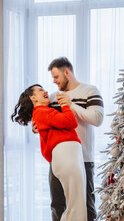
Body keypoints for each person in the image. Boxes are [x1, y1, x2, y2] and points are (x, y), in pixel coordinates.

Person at [32, 57, 104, 221]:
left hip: (83, 158)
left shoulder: (90, 91)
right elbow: (43, 117)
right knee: (57, 204)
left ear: (67, 72)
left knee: (86, 206)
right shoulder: (52, 97)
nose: (54, 81)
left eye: (56, 77)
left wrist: (71, 105)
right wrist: (35, 127)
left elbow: (97, 119)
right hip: (58, 159)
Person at [11, 84, 87, 221]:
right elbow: (70, 121)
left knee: (75, 204)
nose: (45, 91)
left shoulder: (44, 112)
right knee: (76, 205)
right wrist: (65, 105)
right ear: (33, 98)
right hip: (66, 155)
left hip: (69, 155)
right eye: (40, 90)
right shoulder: (41, 112)